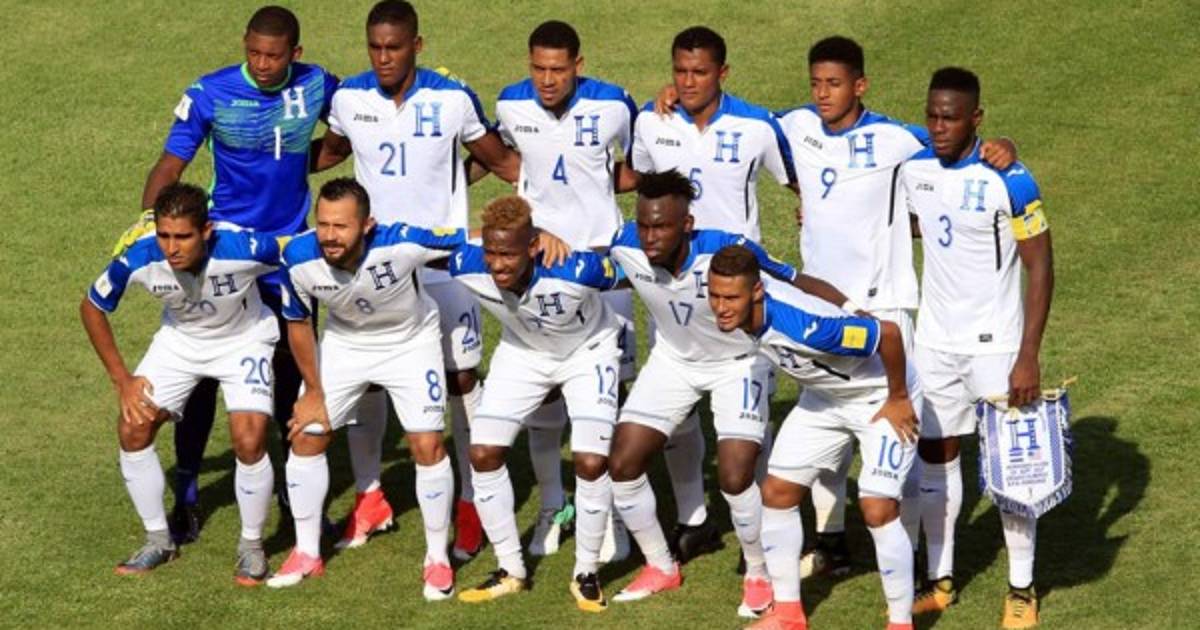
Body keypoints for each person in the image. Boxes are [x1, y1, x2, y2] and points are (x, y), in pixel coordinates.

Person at [772, 35, 1016, 577]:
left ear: (860, 85)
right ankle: (834, 541)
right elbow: (744, 126)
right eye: (816, 84)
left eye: (834, 84)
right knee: (827, 419)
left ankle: (909, 551)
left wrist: (1003, 146)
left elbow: (956, 145)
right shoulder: (795, 124)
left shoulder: (897, 139)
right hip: (820, 306)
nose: (822, 94)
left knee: (897, 427)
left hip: (883, 308)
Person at [115, 5, 339, 544]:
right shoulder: (210, 92)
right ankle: (188, 495)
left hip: (285, 253)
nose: (262, 64)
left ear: (295, 54)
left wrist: (299, 159)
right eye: (253, 52)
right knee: (201, 376)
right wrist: (149, 222)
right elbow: (170, 165)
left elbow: (350, 130)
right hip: (224, 250)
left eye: (273, 56)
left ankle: (291, 495)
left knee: (291, 371)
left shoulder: (318, 84)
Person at [310, 0, 521, 557]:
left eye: (394, 47)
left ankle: (471, 503)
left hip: (442, 268)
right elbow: (328, 154)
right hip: (373, 266)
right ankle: (370, 498)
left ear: (417, 46)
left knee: (460, 380)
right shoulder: (348, 99)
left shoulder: (452, 98)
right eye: (374, 47)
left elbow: (501, 160)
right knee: (368, 380)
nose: (383, 58)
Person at [604, 170, 848, 618]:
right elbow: (579, 266)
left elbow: (794, 278)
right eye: (644, 225)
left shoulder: (726, 250)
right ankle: (660, 566)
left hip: (739, 363)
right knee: (621, 464)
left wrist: (850, 310)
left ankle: (758, 572)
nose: (650, 237)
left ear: (687, 225)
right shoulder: (624, 245)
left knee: (735, 476)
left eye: (661, 227)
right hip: (673, 361)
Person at [633, 24, 798, 562]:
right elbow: (643, 189)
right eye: (680, 71)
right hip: (675, 290)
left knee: (750, 422)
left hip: (737, 294)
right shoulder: (651, 122)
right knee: (677, 414)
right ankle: (693, 518)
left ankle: (768, 525)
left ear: (722, 73)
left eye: (700, 73)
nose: (688, 82)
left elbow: (801, 181)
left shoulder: (757, 126)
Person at [900, 67, 1054, 629]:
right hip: (934, 343)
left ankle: (1021, 588)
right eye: (932, 115)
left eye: (950, 117)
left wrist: (1028, 354)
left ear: (976, 119)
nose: (938, 126)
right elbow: (924, 223)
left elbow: (1041, 266)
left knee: (1014, 470)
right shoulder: (914, 164)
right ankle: (940, 578)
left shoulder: (1010, 178)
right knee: (935, 460)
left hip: (997, 347)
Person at [706, 246, 921, 630]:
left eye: (731, 298)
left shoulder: (809, 329)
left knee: (877, 507)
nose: (720, 307)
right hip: (825, 399)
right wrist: (849, 305)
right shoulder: (755, 293)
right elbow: (803, 281)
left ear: (756, 292)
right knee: (777, 492)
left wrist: (899, 397)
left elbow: (888, 334)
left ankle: (901, 624)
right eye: (714, 295)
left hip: (879, 397)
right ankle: (788, 615)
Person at [266, 179, 461, 598]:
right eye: (323, 224)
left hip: (411, 343)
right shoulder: (298, 257)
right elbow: (298, 324)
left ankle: (437, 558)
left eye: (341, 226)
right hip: (346, 345)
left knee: (427, 445)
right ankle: (306, 552)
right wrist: (313, 391)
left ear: (367, 225)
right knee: (306, 435)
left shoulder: (401, 242)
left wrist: (534, 236)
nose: (329, 236)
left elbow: (469, 240)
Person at [81, 184, 283, 585]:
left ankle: (252, 547)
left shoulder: (246, 247)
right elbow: (91, 306)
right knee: (133, 427)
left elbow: (301, 254)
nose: (171, 248)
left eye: (183, 237)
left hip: (244, 340)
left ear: (206, 230)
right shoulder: (140, 257)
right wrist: (123, 380)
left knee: (248, 439)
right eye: (164, 235)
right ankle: (159, 540)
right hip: (181, 343)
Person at [492, 18, 637, 560]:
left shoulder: (614, 104)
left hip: (603, 268)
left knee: (614, 391)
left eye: (558, 69)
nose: (547, 80)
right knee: (544, 392)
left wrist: (592, 184)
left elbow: (638, 165)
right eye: (538, 69)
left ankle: (612, 509)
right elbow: (500, 156)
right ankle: (553, 505)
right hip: (539, 269)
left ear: (578, 65)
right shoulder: (510, 104)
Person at [449, 196, 621, 613]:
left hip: (588, 353)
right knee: (482, 453)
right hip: (523, 354)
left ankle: (586, 573)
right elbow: (430, 243)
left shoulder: (576, 269)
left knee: (591, 461)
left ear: (532, 248)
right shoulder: (465, 264)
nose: (497, 265)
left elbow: (633, 271)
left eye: (508, 254)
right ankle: (511, 570)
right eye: (491, 252)